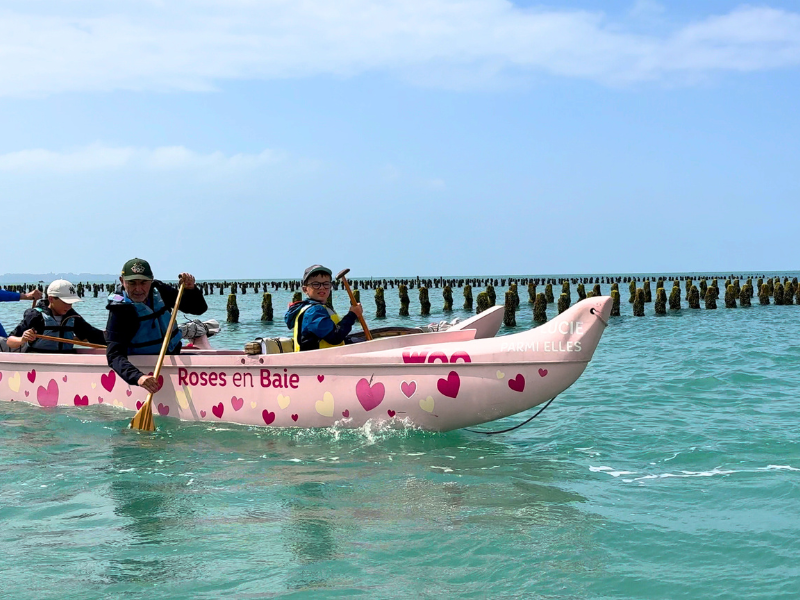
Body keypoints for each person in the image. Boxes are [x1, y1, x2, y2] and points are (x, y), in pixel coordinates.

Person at [106, 258, 207, 393]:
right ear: (122, 281)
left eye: (143, 283)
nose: (138, 289)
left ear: (151, 280)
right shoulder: (120, 310)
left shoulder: (159, 291)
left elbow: (198, 309)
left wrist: (191, 289)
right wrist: (139, 378)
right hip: (144, 363)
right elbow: (114, 356)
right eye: (132, 283)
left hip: (174, 354)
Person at [5, 280, 106, 352]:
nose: (69, 306)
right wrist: (22, 339)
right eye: (66, 302)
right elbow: (10, 341)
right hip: (39, 363)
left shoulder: (73, 317)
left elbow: (95, 336)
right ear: (51, 299)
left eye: (71, 302)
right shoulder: (35, 315)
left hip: (65, 362)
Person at [284, 265, 363, 352]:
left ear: (330, 286)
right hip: (317, 362)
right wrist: (352, 315)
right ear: (305, 289)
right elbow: (335, 337)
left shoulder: (320, 307)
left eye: (326, 284)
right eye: (316, 284)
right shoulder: (314, 312)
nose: (322, 287)